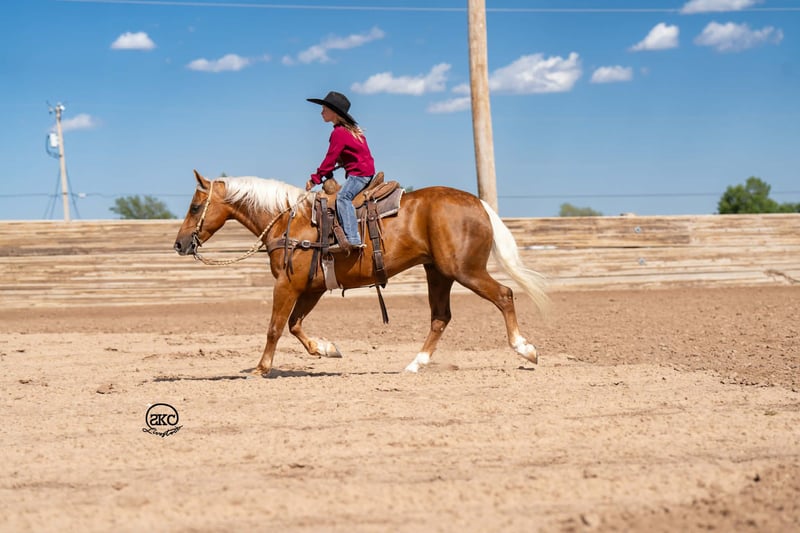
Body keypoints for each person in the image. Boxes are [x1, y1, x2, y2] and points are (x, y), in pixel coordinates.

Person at [306, 91, 375, 249]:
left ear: (334, 112)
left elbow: (330, 159)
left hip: (359, 175)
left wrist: (315, 179)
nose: (321, 112)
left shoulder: (339, 133)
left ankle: (353, 239)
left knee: (343, 198)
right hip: (365, 171)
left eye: (324, 109)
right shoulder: (350, 130)